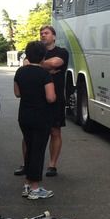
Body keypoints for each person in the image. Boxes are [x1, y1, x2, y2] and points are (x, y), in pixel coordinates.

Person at [14, 25, 69, 177]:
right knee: (29, 135)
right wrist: (45, 67)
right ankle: (27, 164)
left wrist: (36, 64)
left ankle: (52, 165)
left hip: (55, 99)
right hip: (35, 101)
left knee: (55, 131)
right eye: (41, 33)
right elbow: (30, 64)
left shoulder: (62, 52)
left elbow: (55, 63)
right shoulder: (35, 51)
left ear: (54, 36)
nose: (43, 35)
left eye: (46, 33)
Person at [14, 41, 56, 199]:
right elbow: (50, 97)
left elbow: (17, 93)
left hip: (24, 115)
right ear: (43, 56)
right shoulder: (45, 74)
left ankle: (27, 184)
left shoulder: (20, 72)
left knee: (30, 148)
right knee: (38, 151)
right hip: (41, 116)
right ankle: (35, 188)